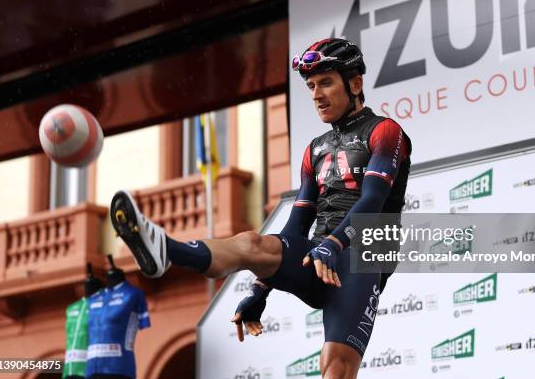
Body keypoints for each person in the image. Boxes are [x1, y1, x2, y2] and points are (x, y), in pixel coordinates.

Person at [110, 38, 411, 379]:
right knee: (253, 244)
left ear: (355, 83)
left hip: (364, 253)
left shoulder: (385, 131)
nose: (316, 95)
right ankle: (167, 249)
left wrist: (334, 243)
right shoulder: (315, 150)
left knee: (335, 367)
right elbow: (296, 226)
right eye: (311, 86)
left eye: (325, 82)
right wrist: (261, 288)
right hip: (319, 255)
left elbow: (373, 203)